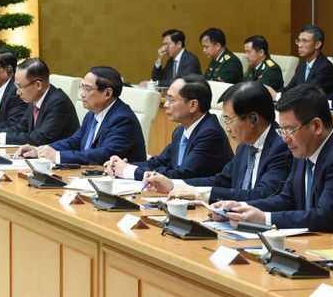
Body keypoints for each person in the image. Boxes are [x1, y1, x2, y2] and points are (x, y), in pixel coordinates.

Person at [212, 84, 333, 232]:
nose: (284, 138)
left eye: (289, 130)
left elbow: (324, 217)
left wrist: (264, 218)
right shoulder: (303, 149)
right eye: (282, 131)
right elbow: (286, 200)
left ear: (316, 126)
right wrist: (241, 208)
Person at [143, 81, 293, 203]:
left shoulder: (282, 146)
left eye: (229, 120)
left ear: (253, 119)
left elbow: (262, 194)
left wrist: (200, 193)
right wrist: (174, 185)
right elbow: (221, 180)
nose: (227, 128)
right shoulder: (245, 146)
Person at [104, 75, 232, 180]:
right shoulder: (181, 130)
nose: (165, 105)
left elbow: (180, 175)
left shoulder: (210, 134)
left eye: (171, 100)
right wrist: (122, 165)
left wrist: (129, 171)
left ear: (193, 105)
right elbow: (158, 162)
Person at [15, 66, 146, 164]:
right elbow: (74, 142)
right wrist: (40, 150)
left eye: (87, 89)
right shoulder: (91, 114)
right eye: (81, 88)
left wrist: (58, 156)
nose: (82, 94)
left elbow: (105, 154)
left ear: (107, 93)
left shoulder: (122, 119)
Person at [0, 58, 80, 146]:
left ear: (38, 85)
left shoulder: (58, 102)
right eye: (16, 86)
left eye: (21, 87)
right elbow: (21, 128)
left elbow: (40, 138)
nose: (17, 92)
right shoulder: (34, 99)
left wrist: (0, 137)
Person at [280, 25, 333, 95]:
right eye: (298, 41)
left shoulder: (325, 67)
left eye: (305, 41)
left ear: (317, 44)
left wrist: (278, 96)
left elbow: (308, 94)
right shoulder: (302, 66)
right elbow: (289, 89)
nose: (299, 45)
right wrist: (273, 94)